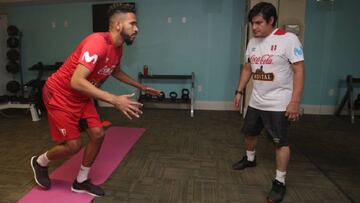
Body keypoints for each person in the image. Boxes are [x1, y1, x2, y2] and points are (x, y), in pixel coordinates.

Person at [30, 3, 160, 197]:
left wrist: (139, 86)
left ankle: (81, 181)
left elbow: (114, 70)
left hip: (82, 96)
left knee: (98, 134)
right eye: (132, 24)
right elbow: (76, 81)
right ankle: (40, 162)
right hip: (59, 94)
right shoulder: (96, 42)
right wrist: (114, 99)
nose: (137, 29)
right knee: (73, 146)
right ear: (117, 25)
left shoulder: (117, 48)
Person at [232, 2, 304, 203]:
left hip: (280, 103)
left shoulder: (288, 39)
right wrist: (239, 91)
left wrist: (295, 101)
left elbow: (299, 71)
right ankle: (250, 158)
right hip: (256, 100)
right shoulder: (253, 41)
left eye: (258, 23)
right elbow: (248, 68)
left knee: (280, 142)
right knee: (249, 132)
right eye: (252, 23)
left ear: (271, 20)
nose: (254, 27)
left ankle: (279, 182)